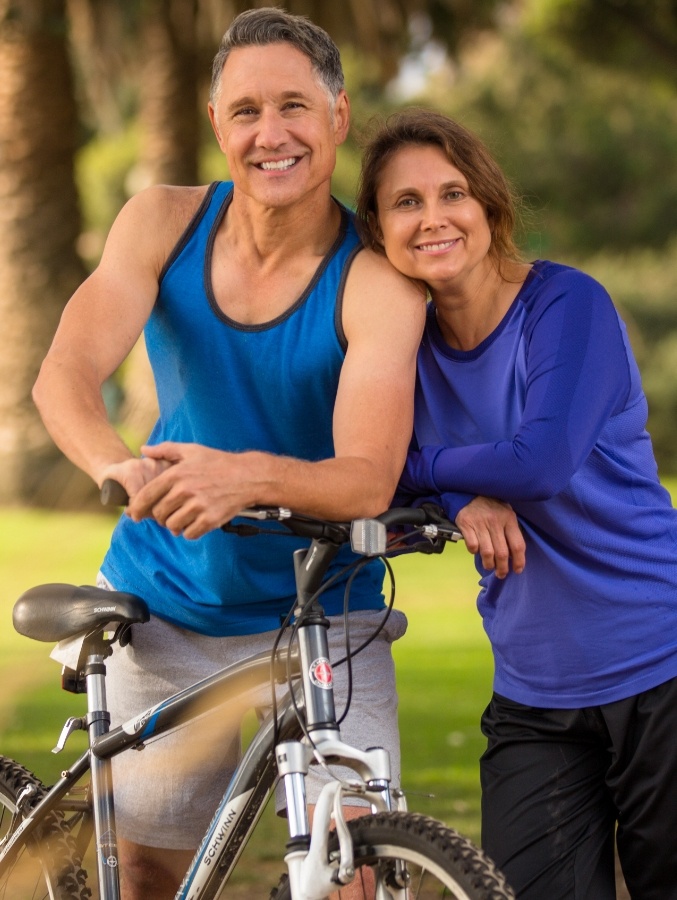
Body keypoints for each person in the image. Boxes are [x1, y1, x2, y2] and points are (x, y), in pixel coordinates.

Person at [31, 11, 433, 899]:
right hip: (168, 605)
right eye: (246, 110)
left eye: (294, 105)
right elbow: (65, 372)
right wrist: (119, 464)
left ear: (338, 115)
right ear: (216, 125)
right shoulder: (162, 223)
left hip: (327, 615)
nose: (270, 132)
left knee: (350, 872)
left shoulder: (375, 279)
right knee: (143, 875)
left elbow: (366, 478)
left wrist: (240, 473)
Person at [354, 107, 677, 900]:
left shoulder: (566, 307)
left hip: (659, 670)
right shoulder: (401, 348)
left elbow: (539, 461)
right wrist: (461, 492)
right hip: (534, 694)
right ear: (377, 231)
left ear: (488, 206)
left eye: (451, 192)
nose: (433, 217)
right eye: (405, 202)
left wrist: (428, 470)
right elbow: (358, 467)